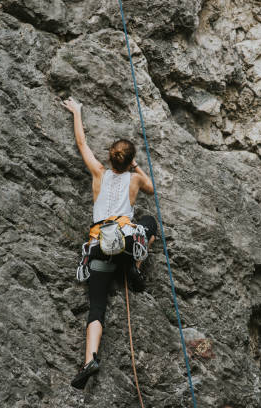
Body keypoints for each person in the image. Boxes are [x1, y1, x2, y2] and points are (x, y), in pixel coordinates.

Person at [61, 97, 158, 389]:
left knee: (97, 308)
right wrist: (137, 167)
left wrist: (77, 111)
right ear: (130, 161)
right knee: (149, 222)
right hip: (126, 247)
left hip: (99, 247)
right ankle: (135, 268)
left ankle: (90, 359)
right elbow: (152, 189)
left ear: (109, 157)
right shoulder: (135, 180)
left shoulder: (98, 173)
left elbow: (81, 143)